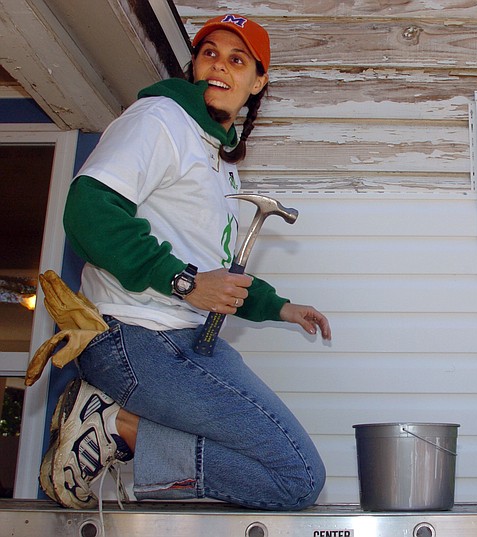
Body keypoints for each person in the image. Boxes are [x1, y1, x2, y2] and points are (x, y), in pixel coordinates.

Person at [40, 14, 330, 511]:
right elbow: (89, 212)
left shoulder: (217, 160)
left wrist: (279, 307)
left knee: (291, 473)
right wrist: (184, 282)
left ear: (258, 81)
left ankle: (120, 436)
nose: (219, 66)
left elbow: (213, 268)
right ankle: (115, 426)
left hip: (186, 341)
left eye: (237, 59)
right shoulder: (159, 119)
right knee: (296, 477)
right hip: (137, 337)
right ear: (194, 65)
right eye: (209, 53)